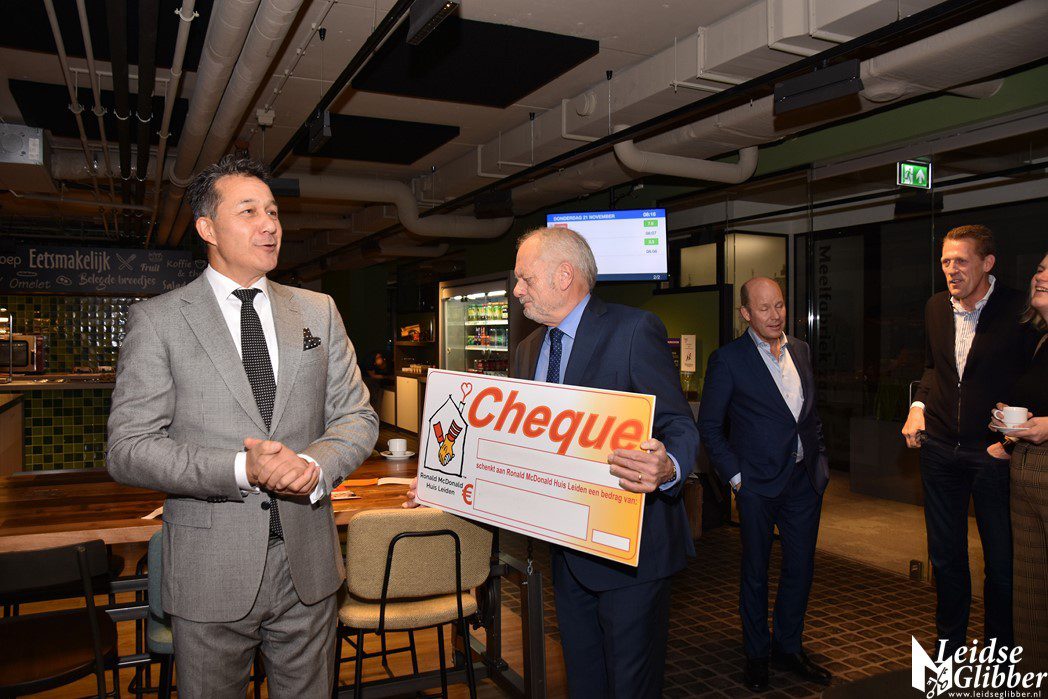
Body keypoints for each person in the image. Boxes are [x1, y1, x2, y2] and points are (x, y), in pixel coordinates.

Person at [107, 155, 378, 697]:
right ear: (207, 228)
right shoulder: (159, 321)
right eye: (249, 211)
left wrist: (314, 465)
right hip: (210, 572)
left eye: (273, 211)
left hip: (308, 567)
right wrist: (241, 469)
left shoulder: (318, 311)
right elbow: (129, 448)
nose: (269, 224)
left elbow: (357, 416)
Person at [409, 226, 699, 697]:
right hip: (566, 555)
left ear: (564, 276)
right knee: (584, 682)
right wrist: (440, 483)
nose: (517, 290)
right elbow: (507, 447)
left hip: (633, 555)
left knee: (630, 686)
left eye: (525, 278)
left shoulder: (632, 330)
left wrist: (668, 468)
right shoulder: (528, 350)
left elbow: (680, 425)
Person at [901, 224, 1035, 656]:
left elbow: (1035, 382)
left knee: (1001, 564)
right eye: (945, 261)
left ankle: (1001, 654)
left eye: (961, 261)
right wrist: (917, 407)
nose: (951, 270)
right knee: (946, 558)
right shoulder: (935, 307)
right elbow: (933, 368)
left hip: (993, 453)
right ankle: (950, 647)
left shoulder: (1019, 309)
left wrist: (1008, 443)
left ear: (987, 263)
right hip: (939, 450)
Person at [697, 277, 831, 692]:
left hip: (803, 482)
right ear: (745, 313)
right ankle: (756, 654)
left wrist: (819, 461)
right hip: (756, 485)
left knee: (800, 569)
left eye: (780, 305)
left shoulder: (801, 350)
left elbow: (808, 415)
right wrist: (737, 479)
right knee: (755, 572)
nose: (775, 315)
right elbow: (710, 427)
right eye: (764, 308)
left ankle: (788, 647)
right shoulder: (728, 360)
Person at [988, 249, 1048, 669]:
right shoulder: (1041, 340)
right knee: (1031, 596)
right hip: (1026, 473)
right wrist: (1010, 429)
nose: (1040, 276)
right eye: (1041, 268)